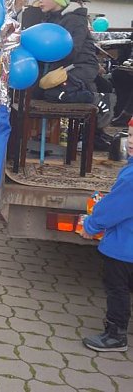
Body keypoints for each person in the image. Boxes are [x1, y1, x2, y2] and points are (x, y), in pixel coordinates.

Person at [80, 116, 133, 352]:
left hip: (124, 247)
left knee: (117, 289)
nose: (131, 142)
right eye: (130, 135)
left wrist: (91, 224)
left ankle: (115, 334)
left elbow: (114, 208)